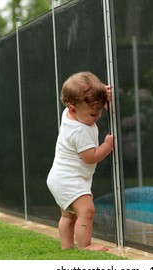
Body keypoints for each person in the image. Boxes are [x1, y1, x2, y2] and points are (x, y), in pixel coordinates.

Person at [47, 72, 114, 251]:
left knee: (69, 216)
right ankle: (86, 246)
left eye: (100, 109)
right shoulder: (79, 131)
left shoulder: (69, 114)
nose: (98, 115)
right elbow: (90, 157)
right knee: (87, 211)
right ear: (73, 109)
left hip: (59, 178)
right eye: (93, 113)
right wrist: (107, 145)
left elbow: (84, 97)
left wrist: (101, 94)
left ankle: (67, 248)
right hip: (69, 179)